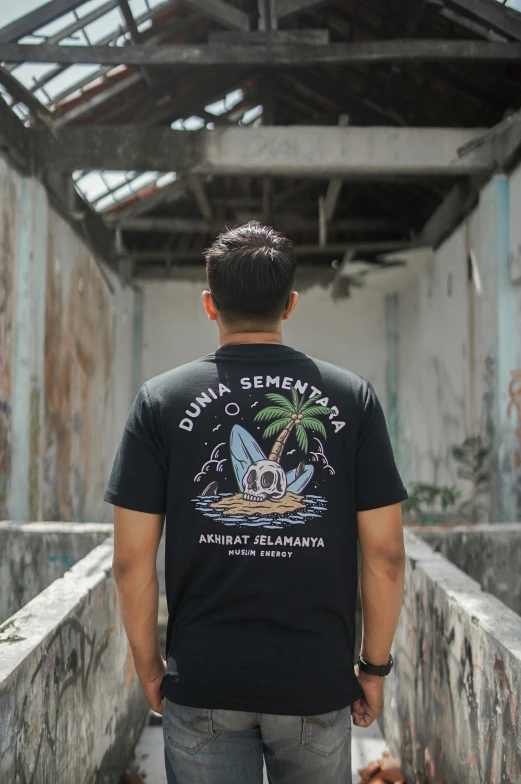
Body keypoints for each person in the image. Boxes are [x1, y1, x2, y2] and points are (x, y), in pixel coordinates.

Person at [105, 222, 407, 784]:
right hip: (315, 684)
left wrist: (150, 668)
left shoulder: (160, 401)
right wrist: (373, 667)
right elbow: (386, 557)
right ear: (290, 305)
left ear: (208, 304)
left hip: (203, 685)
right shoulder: (352, 398)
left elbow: (129, 564)